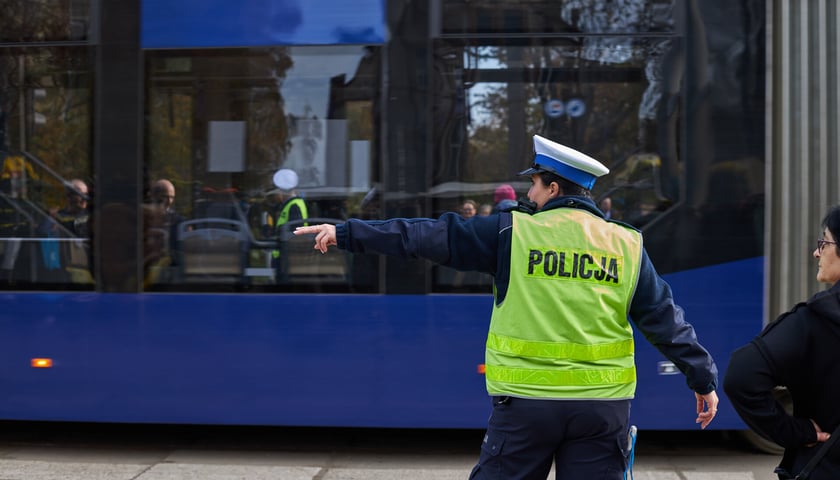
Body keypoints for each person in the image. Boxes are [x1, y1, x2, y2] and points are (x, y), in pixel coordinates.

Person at [295, 134, 719, 480]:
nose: (528, 192)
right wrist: (701, 378)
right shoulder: (625, 243)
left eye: (534, 184)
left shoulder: (510, 232)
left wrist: (346, 232)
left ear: (553, 188)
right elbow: (663, 319)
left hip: (526, 406)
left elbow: (424, 236)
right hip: (602, 408)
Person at [724, 205, 840, 480]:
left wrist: (796, 432)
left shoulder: (817, 320)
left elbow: (741, 377)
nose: (816, 252)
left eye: (824, 242)